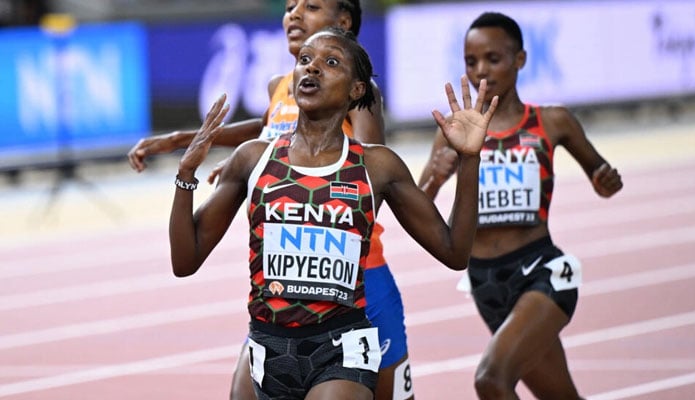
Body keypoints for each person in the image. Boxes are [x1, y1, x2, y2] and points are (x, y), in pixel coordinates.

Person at [169, 27, 497, 399]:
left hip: (342, 347)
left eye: (330, 63)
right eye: (304, 60)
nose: (311, 69)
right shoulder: (253, 158)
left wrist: (469, 159)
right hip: (269, 348)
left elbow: (454, 252)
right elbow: (185, 260)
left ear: (357, 89)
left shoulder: (377, 166)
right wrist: (185, 176)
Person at [128, 2, 413, 399]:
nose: (294, 15)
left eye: (310, 6)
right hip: (285, 292)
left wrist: (308, 188)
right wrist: (188, 141)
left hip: (359, 274)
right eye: (288, 7)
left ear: (343, 22)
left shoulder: (357, 95)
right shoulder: (281, 85)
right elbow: (267, 134)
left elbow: (369, 168)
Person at [418, 12, 623, 400]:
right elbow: (417, 207)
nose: (481, 70)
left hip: (542, 272)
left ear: (520, 60)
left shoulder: (552, 121)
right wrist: (436, 176)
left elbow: (603, 180)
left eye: (493, 59)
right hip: (485, 283)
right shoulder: (453, 134)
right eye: (471, 61)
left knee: (491, 379)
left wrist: (607, 181)